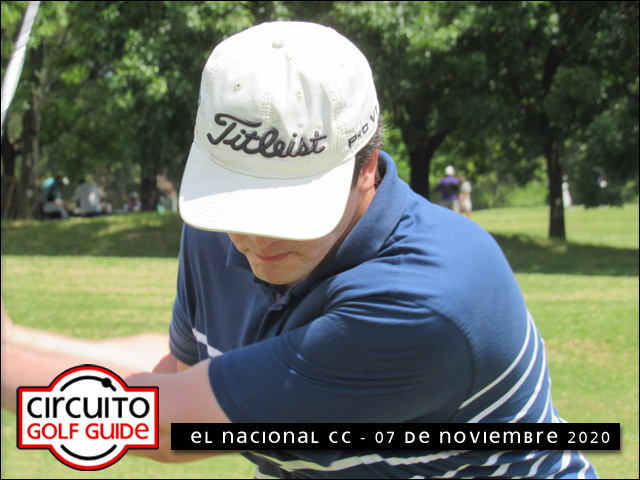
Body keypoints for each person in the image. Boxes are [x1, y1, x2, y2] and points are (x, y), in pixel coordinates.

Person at [1, 21, 597, 478]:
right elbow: (181, 373)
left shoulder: (427, 300)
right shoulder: (217, 230)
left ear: (367, 167)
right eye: (236, 198)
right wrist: (11, 340)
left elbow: (168, 424)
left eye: (289, 209)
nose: (257, 239)